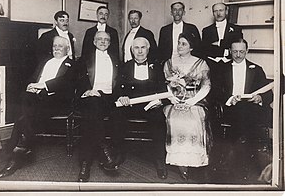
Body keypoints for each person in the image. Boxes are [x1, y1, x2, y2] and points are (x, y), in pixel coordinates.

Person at [0, 36, 76, 179]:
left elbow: (65, 83)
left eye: (60, 46)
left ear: (67, 49)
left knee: (24, 112)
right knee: (26, 103)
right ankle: (21, 149)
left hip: (56, 100)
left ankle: (14, 151)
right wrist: (30, 86)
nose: (56, 48)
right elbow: (33, 78)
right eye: (54, 46)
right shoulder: (45, 61)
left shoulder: (72, 64)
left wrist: (43, 86)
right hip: (36, 99)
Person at [218, 38, 273, 181]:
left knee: (248, 117)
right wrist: (230, 98)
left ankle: (241, 162)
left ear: (247, 51)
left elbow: (268, 94)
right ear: (230, 51)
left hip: (251, 109)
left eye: (241, 52)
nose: (238, 55)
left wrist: (260, 98)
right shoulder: (222, 69)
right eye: (235, 51)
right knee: (245, 120)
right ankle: (243, 163)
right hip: (231, 108)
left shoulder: (256, 69)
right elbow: (216, 92)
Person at [113, 37, 168, 179]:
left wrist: (159, 100)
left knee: (159, 119)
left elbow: (163, 89)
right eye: (136, 48)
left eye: (143, 47)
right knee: (117, 116)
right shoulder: (125, 66)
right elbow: (117, 87)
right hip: (129, 104)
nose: (140, 51)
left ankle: (159, 159)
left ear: (148, 49)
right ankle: (118, 153)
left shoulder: (157, 67)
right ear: (132, 50)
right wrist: (121, 96)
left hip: (150, 105)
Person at [163, 32, 212, 181]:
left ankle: (193, 161)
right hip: (175, 100)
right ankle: (179, 163)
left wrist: (193, 101)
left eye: (183, 43)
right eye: (178, 43)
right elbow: (166, 85)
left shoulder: (201, 63)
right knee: (175, 120)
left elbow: (207, 86)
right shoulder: (169, 63)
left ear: (191, 47)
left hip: (195, 100)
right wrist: (172, 98)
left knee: (192, 120)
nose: (179, 46)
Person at [76, 31, 120, 182]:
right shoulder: (84, 59)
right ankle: (100, 152)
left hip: (110, 98)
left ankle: (86, 163)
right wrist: (86, 91)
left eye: (106, 39)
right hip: (91, 96)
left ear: (110, 42)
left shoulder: (115, 59)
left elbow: (120, 82)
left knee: (92, 119)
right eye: (99, 39)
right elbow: (77, 79)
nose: (103, 41)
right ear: (94, 42)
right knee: (93, 110)